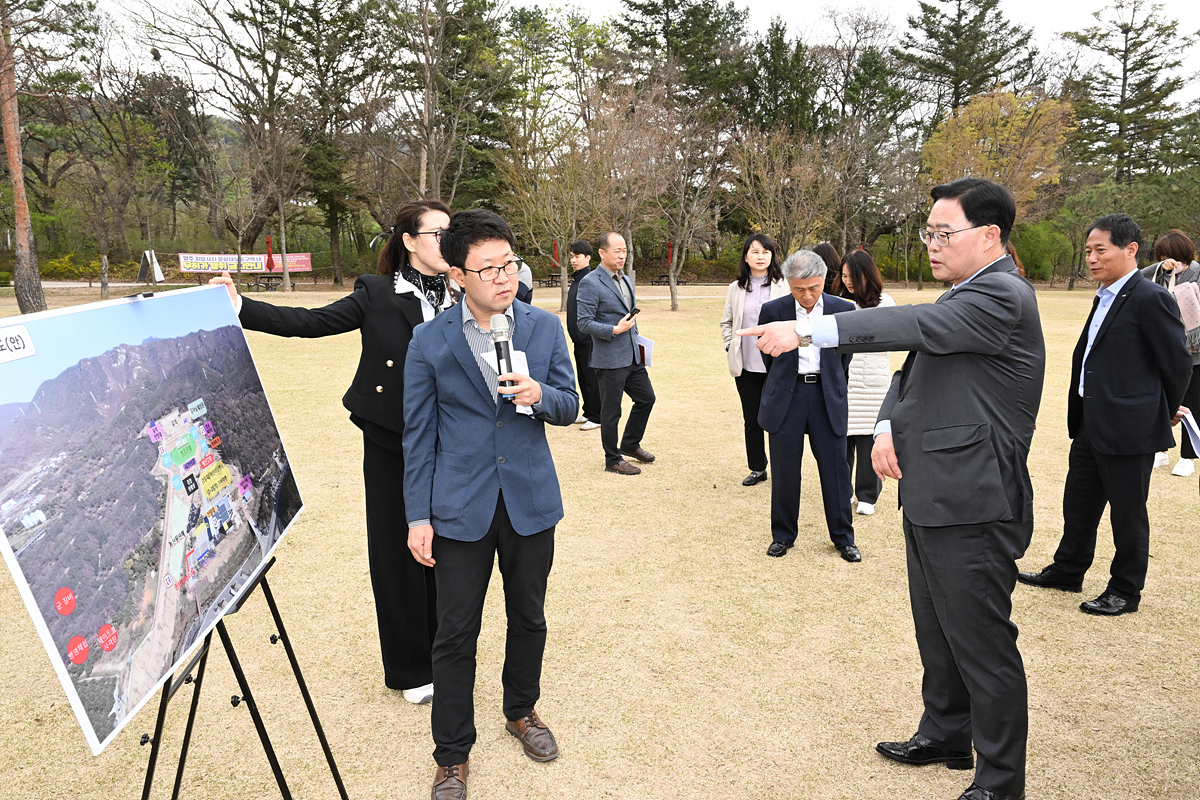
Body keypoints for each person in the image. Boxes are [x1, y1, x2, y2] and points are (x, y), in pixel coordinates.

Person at [740, 177, 1044, 800]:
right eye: (927, 232)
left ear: (989, 235)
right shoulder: (966, 292)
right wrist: (884, 424)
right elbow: (914, 373)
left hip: (973, 499)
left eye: (943, 232)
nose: (931, 243)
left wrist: (808, 330)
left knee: (982, 641)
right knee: (936, 627)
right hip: (932, 487)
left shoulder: (1000, 295)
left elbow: (911, 327)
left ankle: (1001, 780)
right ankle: (946, 732)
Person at [211, 198, 452, 706]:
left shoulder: (460, 289)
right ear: (409, 241)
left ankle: (445, 650)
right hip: (391, 437)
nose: (446, 242)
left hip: (450, 440)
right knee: (396, 551)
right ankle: (411, 668)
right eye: (437, 233)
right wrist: (238, 307)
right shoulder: (377, 291)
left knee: (446, 545)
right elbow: (310, 322)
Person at [403, 209, 578, 800]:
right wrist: (417, 515)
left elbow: (572, 404)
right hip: (459, 506)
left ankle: (521, 711)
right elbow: (418, 433)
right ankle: (451, 754)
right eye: (488, 269)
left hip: (529, 499)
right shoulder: (429, 340)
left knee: (529, 616)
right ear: (457, 275)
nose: (504, 277)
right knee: (456, 631)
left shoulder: (544, 328)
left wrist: (540, 394)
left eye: (509, 264)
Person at [1018, 214, 1191, 617]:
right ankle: (1068, 569)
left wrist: (1162, 411)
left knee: (1127, 514)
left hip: (1130, 426)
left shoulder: (1151, 298)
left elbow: (1177, 364)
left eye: (1100, 250)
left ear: (1130, 250)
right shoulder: (1105, 294)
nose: (1092, 259)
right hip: (1091, 421)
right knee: (1078, 502)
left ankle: (1125, 590)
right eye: (1088, 251)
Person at [757, 250, 859, 561]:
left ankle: (843, 538)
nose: (806, 295)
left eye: (813, 287)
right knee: (786, 471)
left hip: (827, 395)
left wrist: (830, 381)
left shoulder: (844, 309)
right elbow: (768, 354)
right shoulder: (773, 310)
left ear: (825, 280)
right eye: (798, 288)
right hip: (787, 396)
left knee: (836, 470)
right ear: (788, 283)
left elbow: (846, 355)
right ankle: (783, 535)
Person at [575, 231, 657, 475]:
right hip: (609, 359)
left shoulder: (625, 279)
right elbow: (583, 323)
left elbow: (631, 315)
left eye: (624, 251)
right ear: (602, 253)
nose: (622, 255)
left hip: (632, 355)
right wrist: (614, 329)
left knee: (646, 398)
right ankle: (612, 459)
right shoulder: (590, 282)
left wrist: (639, 345)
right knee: (611, 412)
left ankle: (630, 444)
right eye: (617, 250)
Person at [719, 233, 789, 486]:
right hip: (747, 365)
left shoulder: (785, 285)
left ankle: (784, 467)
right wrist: (730, 346)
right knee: (753, 419)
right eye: (755, 252)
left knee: (781, 419)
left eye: (766, 252)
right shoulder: (735, 288)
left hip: (779, 364)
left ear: (773, 256)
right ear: (746, 256)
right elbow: (726, 322)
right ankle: (758, 468)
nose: (761, 257)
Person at [838, 249, 895, 516]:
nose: (848, 281)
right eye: (844, 275)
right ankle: (844, 491)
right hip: (844, 379)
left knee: (868, 440)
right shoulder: (839, 303)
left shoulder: (886, 303)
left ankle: (868, 495)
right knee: (843, 439)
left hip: (873, 380)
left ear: (867, 275)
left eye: (853, 276)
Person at [1141, 230, 1200, 476]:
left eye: (1171, 256)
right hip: (1164, 349)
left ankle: (1188, 456)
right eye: (1162, 256)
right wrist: (1159, 267)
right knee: (1161, 399)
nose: (1170, 261)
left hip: (1195, 351)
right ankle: (1161, 450)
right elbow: (1138, 278)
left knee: (1192, 402)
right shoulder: (1160, 274)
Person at [566, 240, 602, 431]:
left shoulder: (589, 280)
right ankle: (588, 411)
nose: (573, 260)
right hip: (578, 340)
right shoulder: (577, 279)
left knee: (591, 378)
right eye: (572, 256)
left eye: (577, 256)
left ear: (588, 258)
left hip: (589, 339)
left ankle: (597, 416)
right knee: (582, 377)